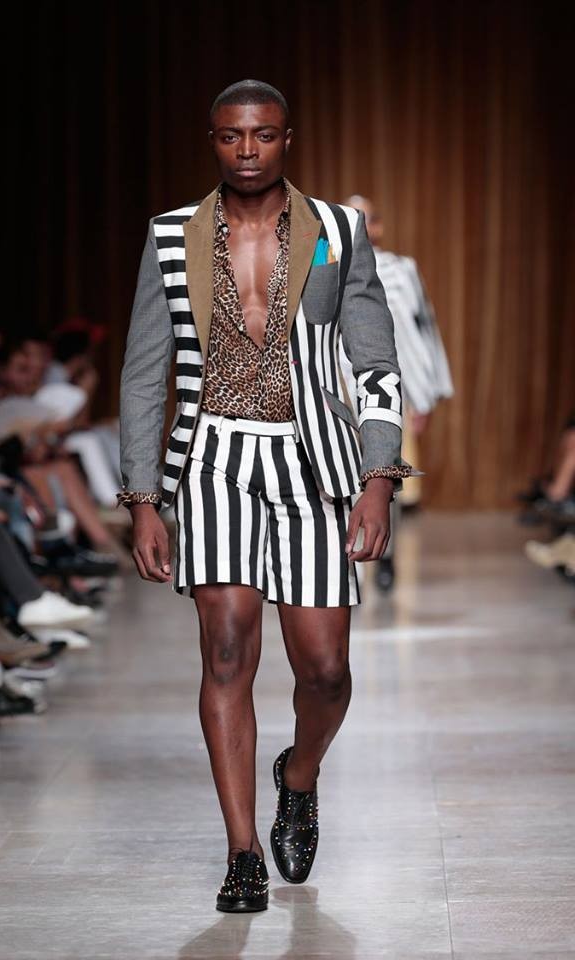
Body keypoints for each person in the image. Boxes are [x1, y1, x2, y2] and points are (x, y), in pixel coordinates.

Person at [119, 80, 418, 913]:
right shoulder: (171, 235)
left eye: (261, 135)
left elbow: (376, 363)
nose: (246, 151)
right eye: (229, 136)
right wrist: (142, 497)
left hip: (313, 461)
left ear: (288, 138)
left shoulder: (339, 231)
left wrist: (378, 480)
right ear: (212, 139)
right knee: (226, 651)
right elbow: (144, 373)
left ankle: (300, 772)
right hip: (212, 457)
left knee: (326, 670)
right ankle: (242, 852)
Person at [341, 195, 453, 589]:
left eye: (364, 218)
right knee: (340, 477)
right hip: (335, 394)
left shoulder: (403, 271)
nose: (357, 226)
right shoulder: (324, 264)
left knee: (385, 475)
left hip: (389, 390)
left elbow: (421, 330)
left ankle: (384, 555)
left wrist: (423, 396)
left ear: (378, 226)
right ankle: (346, 562)